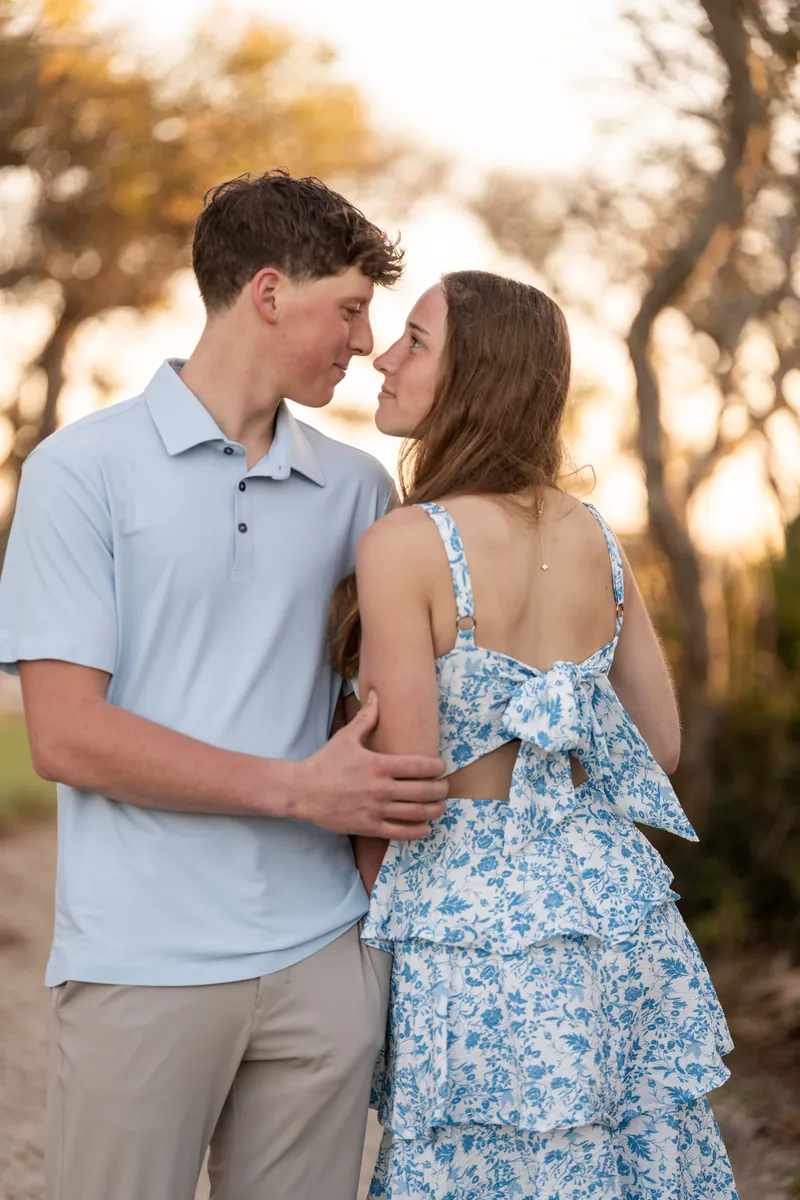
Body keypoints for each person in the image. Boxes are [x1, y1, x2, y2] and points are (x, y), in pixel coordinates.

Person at [0, 170, 449, 1200]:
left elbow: (376, 714)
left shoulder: (358, 490)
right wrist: (299, 790)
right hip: (141, 959)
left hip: (321, 958)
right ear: (267, 292)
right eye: (349, 309)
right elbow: (64, 736)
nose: (365, 341)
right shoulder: (80, 471)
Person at [331, 270, 737, 1198]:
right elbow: (658, 748)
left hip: (467, 917)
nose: (385, 359)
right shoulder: (597, 534)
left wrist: (370, 926)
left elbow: (404, 781)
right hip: (605, 901)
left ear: (478, 374)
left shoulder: (407, 543)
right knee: (612, 1149)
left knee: (474, 1162)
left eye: (415, 341)